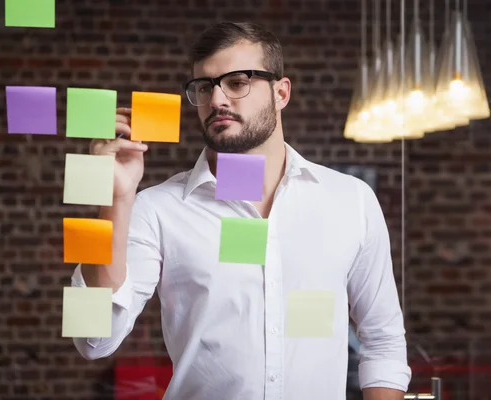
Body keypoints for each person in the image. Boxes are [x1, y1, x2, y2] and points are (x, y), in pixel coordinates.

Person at [71, 21, 412, 400]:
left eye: (237, 83)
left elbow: (383, 341)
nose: (216, 100)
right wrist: (116, 200)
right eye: (204, 87)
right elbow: (93, 340)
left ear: (281, 93)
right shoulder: (157, 209)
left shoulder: (351, 200)